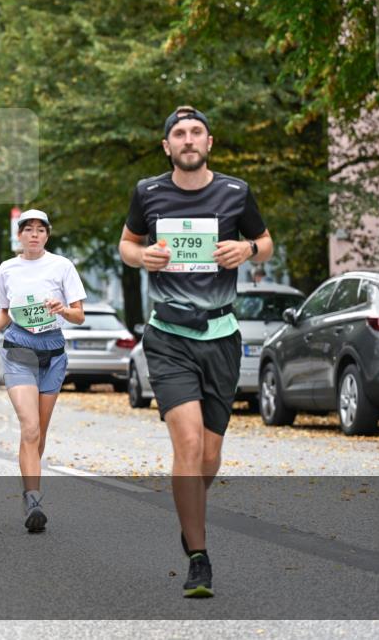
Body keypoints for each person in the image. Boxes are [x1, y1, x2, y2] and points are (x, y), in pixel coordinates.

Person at [119, 106, 273, 598]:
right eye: (179, 134)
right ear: (167, 146)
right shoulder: (148, 192)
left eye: (196, 132)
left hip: (221, 337)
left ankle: (190, 515)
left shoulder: (235, 192)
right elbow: (127, 244)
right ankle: (199, 558)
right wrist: (143, 257)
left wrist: (247, 251)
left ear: (209, 141)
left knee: (208, 457)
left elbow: (266, 242)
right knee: (186, 447)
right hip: (168, 336)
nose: (188, 140)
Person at [0, 209, 86, 534]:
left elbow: (79, 316)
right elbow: (5, 310)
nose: (34, 235)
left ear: (48, 235)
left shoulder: (62, 266)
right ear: (20, 235)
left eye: (41, 230)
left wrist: (63, 309)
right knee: (29, 428)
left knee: (38, 433)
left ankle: (30, 486)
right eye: (28, 229)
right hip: (19, 351)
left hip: (53, 352)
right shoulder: (7, 269)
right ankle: (34, 499)